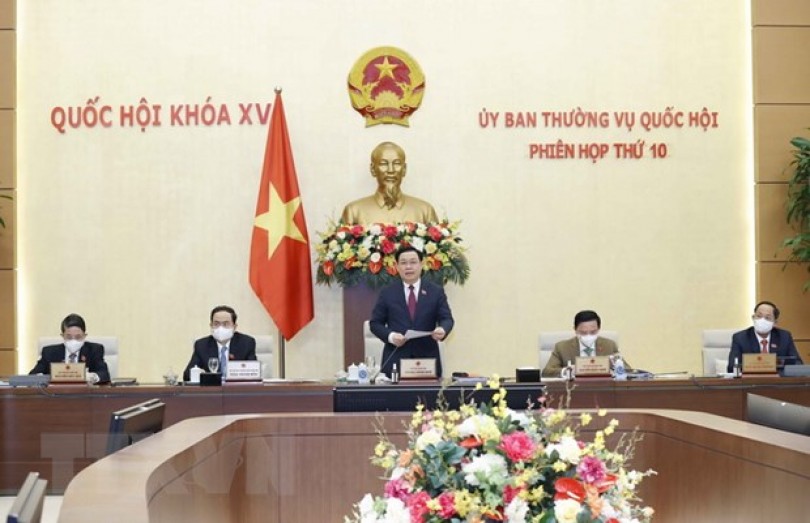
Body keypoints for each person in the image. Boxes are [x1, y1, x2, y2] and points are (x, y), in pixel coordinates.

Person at [370, 246, 454, 377]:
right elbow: (375, 323)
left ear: (422, 264)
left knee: (429, 392)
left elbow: (447, 319)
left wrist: (443, 329)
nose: (408, 267)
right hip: (395, 360)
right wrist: (391, 336)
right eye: (403, 263)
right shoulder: (387, 292)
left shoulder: (435, 291)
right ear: (397, 266)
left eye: (413, 262)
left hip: (427, 362)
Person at [340, 141, 439, 225]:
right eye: (383, 163)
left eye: (397, 163)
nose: (391, 170)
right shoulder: (354, 211)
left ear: (404, 169)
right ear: (373, 169)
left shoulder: (425, 211)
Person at [29, 313, 110, 383]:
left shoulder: (94, 350)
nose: (73, 340)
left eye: (78, 337)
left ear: (84, 336)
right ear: (62, 336)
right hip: (56, 394)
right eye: (69, 337)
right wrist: (46, 378)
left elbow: (104, 374)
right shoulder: (49, 352)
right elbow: (32, 376)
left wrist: (91, 377)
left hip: (85, 394)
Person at [542, 310, 625, 377]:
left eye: (593, 332)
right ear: (575, 330)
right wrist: (568, 371)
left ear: (599, 329)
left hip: (602, 388)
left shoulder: (609, 345)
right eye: (583, 333)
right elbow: (546, 372)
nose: (588, 336)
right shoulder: (562, 347)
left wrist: (615, 367)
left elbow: (628, 370)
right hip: (574, 389)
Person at [183, 305, 257, 381]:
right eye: (216, 324)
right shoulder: (201, 345)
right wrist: (199, 374)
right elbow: (187, 375)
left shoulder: (247, 343)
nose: (220, 328)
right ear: (211, 326)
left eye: (226, 324)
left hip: (237, 387)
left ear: (234, 327)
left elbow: (254, 373)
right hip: (212, 388)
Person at [727, 300, 803, 372]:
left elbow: (798, 364)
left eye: (767, 318)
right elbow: (731, 367)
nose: (762, 320)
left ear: (775, 323)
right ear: (753, 318)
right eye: (759, 316)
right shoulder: (740, 338)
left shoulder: (784, 337)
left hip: (777, 379)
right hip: (751, 380)